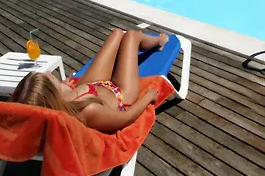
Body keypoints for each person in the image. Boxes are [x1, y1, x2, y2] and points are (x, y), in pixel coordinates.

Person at [10, 29, 166, 133]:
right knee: (131, 36)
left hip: (95, 86)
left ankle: (132, 48)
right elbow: (127, 117)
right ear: (51, 96)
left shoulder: (57, 103)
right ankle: (159, 42)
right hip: (120, 94)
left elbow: (63, 91)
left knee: (117, 33)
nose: (49, 73)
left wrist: (65, 86)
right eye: (48, 77)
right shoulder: (88, 111)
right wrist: (149, 97)